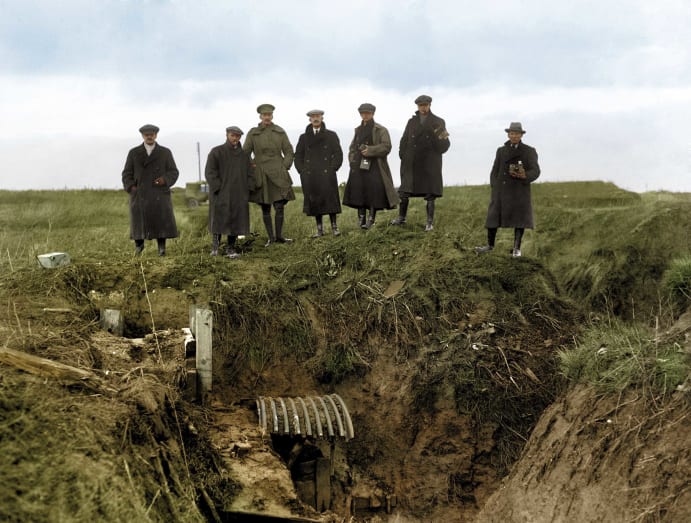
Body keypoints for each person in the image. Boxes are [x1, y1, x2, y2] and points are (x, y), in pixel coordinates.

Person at [475, 122, 540, 257]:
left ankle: (516, 248)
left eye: (516, 133)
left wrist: (525, 175)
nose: (514, 136)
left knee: (519, 219)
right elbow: (494, 170)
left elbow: (536, 171)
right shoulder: (501, 150)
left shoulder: (529, 151)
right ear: (508, 134)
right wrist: (495, 187)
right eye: (511, 133)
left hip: (519, 191)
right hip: (501, 191)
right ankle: (490, 246)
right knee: (493, 217)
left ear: (521, 135)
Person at [391, 94, 450, 231]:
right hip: (411, 162)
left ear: (430, 105)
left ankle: (429, 222)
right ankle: (401, 218)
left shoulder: (438, 121)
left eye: (425, 105)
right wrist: (403, 154)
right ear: (417, 106)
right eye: (420, 105)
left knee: (430, 193)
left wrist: (435, 141)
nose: (423, 107)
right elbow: (404, 139)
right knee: (405, 190)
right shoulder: (411, 122)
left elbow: (445, 144)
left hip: (429, 163)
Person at [121, 124, 179, 256]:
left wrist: (164, 180)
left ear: (156, 135)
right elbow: (126, 174)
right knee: (139, 223)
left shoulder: (165, 152)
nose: (149, 136)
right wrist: (131, 187)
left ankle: (162, 249)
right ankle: (139, 247)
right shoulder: (134, 153)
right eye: (146, 134)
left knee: (161, 222)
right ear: (142, 136)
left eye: (152, 134)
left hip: (159, 193)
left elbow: (173, 172)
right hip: (140, 195)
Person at [244, 103, 296, 247]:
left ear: (272, 116)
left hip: (279, 173)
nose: (267, 117)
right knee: (265, 206)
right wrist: (251, 165)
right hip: (261, 173)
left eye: (269, 115)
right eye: (264, 115)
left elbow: (289, 151)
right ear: (260, 116)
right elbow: (245, 153)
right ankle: (271, 238)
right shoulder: (253, 133)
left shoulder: (280, 132)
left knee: (279, 206)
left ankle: (279, 237)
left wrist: (284, 166)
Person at [342, 103, 399, 229]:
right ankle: (361, 219)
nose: (365, 115)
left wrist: (371, 150)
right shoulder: (357, 130)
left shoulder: (381, 129)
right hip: (358, 165)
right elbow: (352, 148)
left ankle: (371, 219)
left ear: (373, 114)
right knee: (358, 191)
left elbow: (386, 146)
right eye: (363, 113)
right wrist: (352, 161)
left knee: (373, 193)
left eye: (367, 113)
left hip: (375, 166)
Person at [204, 125, 254, 259]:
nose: (235, 138)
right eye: (233, 135)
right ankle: (215, 248)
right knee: (218, 220)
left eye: (238, 136)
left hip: (239, 194)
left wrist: (248, 189)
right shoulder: (217, 152)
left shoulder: (244, 155)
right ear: (227, 135)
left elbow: (250, 173)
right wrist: (218, 188)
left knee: (236, 221)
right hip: (221, 194)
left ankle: (231, 248)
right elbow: (210, 172)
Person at [294, 109, 344, 237]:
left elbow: (338, 154)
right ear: (309, 119)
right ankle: (319, 230)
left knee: (331, 200)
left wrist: (333, 168)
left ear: (322, 118)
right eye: (313, 116)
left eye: (318, 116)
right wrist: (302, 171)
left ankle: (334, 227)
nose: (315, 118)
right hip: (311, 175)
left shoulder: (331, 135)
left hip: (327, 173)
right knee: (315, 202)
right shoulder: (304, 137)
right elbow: (298, 156)